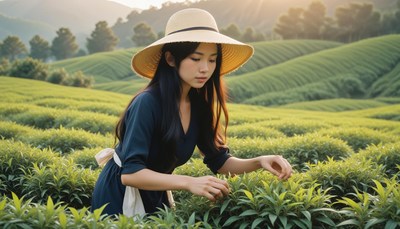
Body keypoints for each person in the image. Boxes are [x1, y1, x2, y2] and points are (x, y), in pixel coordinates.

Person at [91, 8, 292, 217]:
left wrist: (260, 161)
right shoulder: (147, 103)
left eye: (212, 60)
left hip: (155, 190)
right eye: (196, 59)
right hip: (119, 197)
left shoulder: (198, 105)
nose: (205, 68)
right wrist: (189, 182)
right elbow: (130, 174)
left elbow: (220, 162)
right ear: (170, 59)